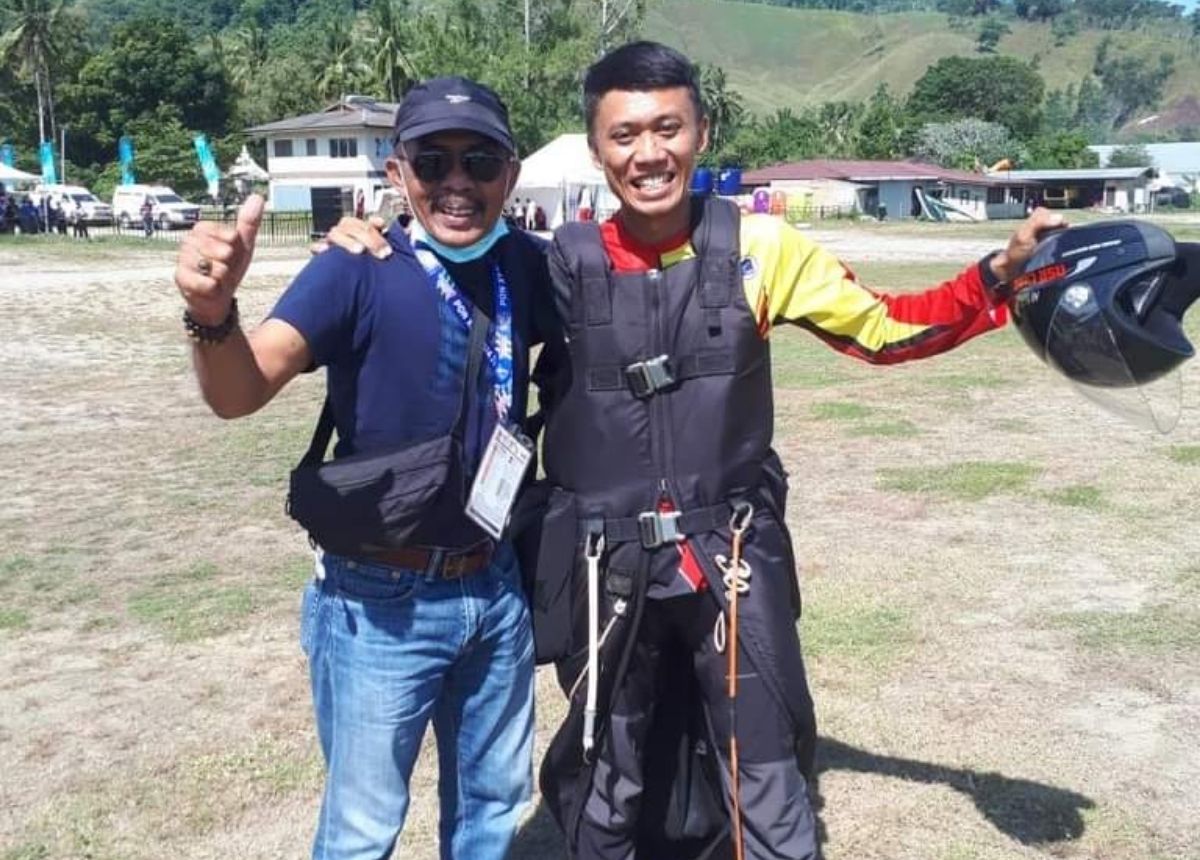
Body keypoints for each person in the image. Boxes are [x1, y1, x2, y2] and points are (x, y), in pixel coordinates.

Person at [325, 42, 1064, 860]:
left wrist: (997, 274)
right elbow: (457, 268)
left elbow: (885, 329)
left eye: (668, 128)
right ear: (597, 148)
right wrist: (371, 241)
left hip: (733, 559)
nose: (649, 154)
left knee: (765, 771)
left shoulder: (763, 248)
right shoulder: (561, 263)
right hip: (605, 568)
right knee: (608, 780)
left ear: (702, 132)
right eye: (625, 135)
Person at [173, 76, 557, 860]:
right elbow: (242, 391)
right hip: (379, 599)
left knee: (490, 815)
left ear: (511, 174)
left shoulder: (530, 266)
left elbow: (633, 280)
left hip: (495, 584)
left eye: (481, 161)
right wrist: (211, 317)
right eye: (432, 162)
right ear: (397, 172)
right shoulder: (355, 266)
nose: (457, 182)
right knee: (361, 831)